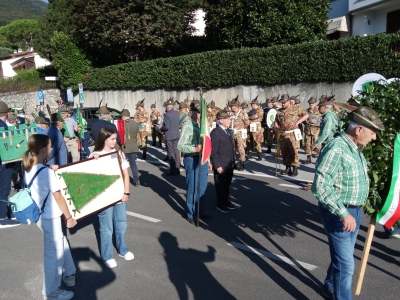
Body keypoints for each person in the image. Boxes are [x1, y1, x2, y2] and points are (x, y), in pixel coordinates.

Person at [312, 106, 384, 300]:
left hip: (355, 211)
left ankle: (329, 285)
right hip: (339, 213)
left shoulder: (356, 149)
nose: (374, 138)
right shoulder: (337, 148)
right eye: (373, 132)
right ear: (358, 129)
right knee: (346, 265)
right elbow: (321, 186)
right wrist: (343, 213)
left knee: (342, 258)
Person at [23, 134, 78, 300]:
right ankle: (50, 291)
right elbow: (58, 197)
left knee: (60, 243)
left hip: (40, 216)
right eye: (50, 146)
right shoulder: (46, 172)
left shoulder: (30, 166)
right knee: (53, 255)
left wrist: (49, 167)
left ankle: (69, 274)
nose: (52, 148)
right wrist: (69, 217)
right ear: (42, 150)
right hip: (50, 218)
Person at [90, 127, 134, 268]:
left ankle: (122, 249)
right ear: (104, 139)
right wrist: (92, 160)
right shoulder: (96, 154)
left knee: (121, 223)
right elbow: (88, 176)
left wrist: (126, 192)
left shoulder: (118, 152)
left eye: (115, 138)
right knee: (106, 227)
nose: (116, 141)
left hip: (120, 193)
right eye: (112, 139)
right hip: (104, 197)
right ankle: (107, 255)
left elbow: (126, 174)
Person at [177, 100, 212, 224]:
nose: (200, 116)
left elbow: (207, 143)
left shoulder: (202, 126)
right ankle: (191, 213)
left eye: (201, 113)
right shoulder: (188, 126)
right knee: (192, 188)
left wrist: (208, 159)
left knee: (202, 187)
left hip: (202, 159)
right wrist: (194, 148)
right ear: (192, 113)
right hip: (191, 159)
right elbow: (180, 146)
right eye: (198, 113)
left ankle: (199, 210)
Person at [274, 94, 308, 177]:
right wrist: (276, 126)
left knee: (294, 152)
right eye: (282, 103)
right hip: (283, 134)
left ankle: (295, 168)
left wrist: (297, 122)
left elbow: (306, 115)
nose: (283, 104)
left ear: (289, 101)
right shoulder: (279, 111)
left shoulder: (295, 109)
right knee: (284, 152)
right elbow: (276, 121)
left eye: (284, 102)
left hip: (292, 134)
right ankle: (287, 167)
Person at [211, 111, 237, 213]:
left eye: (230, 119)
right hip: (221, 163)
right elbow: (214, 151)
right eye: (227, 119)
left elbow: (232, 147)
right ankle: (220, 204)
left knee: (227, 184)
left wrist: (234, 160)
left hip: (229, 162)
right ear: (221, 121)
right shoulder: (216, 133)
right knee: (220, 184)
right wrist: (217, 165)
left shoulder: (228, 131)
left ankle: (226, 201)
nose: (230, 121)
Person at [0, 101, 20, 227]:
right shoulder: (2, 126)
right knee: (3, 190)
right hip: (4, 163)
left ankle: (5, 212)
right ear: (6, 113)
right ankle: (2, 217)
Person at [159, 98, 180, 175]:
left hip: (169, 136)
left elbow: (167, 127)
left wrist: (161, 128)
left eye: (165, 107)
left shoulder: (167, 115)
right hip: (176, 135)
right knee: (176, 152)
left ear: (168, 107)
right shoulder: (177, 113)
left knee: (171, 153)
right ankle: (177, 169)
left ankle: (172, 170)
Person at [121, 109, 140, 186]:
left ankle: (123, 179)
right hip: (133, 146)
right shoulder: (135, 124)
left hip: (124, 147)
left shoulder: (122, 124)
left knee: (122, 164)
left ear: (123, 116)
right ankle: (136, 180)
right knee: (133, 164)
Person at [229, 96, 249, 171]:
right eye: (231, 106)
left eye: (233, 106)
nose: (232, 107)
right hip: (231, 132)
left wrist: (241, 129)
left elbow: (247, 123)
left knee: (241, 148)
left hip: (239, 133)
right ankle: (233, 162)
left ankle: (242, 163)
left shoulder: (242, 113)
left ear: (237, 106)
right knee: (232, 148)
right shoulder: (230, 113)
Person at [304, 97, 322, 164]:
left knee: (317, 144)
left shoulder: (319, 111)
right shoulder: (306, 111)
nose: (311, 105)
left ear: (315, 103)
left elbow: (321, 120)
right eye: (310, 103)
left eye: (312, 103)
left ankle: (319, 157)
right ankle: (308, 158)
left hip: (316, 130)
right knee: (307, 144)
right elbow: (303, 119)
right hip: (308, 130)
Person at [247, 96, 264, 161]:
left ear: (255, 104)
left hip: (256, 126)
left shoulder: (260, 109)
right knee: (249, 139)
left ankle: (259, 154)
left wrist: (248, 118)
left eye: (252, 104)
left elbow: (255, 116)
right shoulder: (252, 110)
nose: (252, 105)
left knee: (257, 140)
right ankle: (249, 152)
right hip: (251, 125)